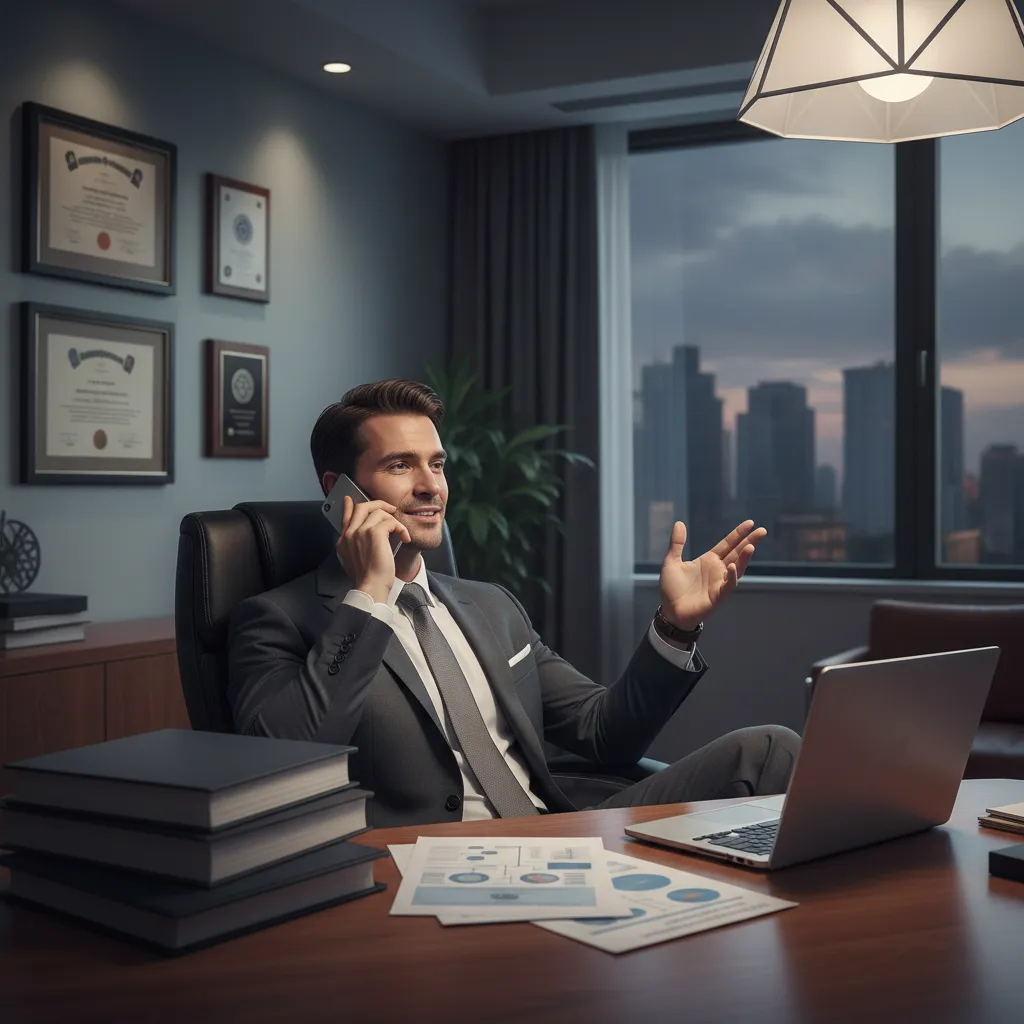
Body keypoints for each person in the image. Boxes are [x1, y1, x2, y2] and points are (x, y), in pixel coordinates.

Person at [227, 379, 800, 828]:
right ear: (338, 491)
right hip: (427, 861)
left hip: (556, 834)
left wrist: (675, 627)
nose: (431, 486)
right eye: (400, 465)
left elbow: (606, 735)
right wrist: (368, 597)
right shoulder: (277, 620)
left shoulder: (490, 606)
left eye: (437, 463)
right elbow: (290, 762)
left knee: (770, 749)